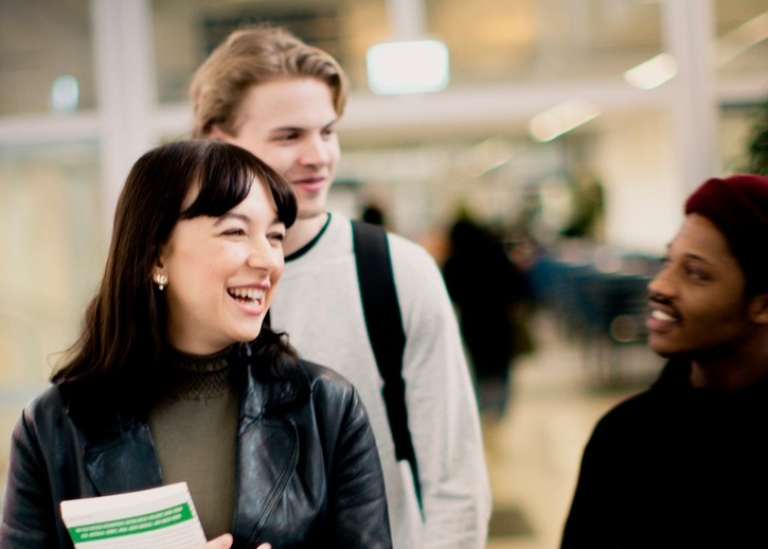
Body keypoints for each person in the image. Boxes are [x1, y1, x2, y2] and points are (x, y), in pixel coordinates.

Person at [0, 140, 391, 549]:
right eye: (235, 231)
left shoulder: (327, 407)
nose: (267, 260)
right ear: (156, 257)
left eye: (275, 236)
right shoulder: (53, 427)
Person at [189, 26, 491, 549]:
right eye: (290, 136)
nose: (319, 156)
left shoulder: (396, 273)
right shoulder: (179, 281)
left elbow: (456, 485)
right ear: (219, 140)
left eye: (327, 132)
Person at [560, 173, 768, 548]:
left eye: (695, 273)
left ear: (763, 303)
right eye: (666, 261)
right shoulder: (625, 437)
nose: (659, 285)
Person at [442, 211, 530, 423]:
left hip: (472, 325)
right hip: (500, 322)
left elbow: (449, 294)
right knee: (501, 367)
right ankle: (499, 412)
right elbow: (518, 287)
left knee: (477, 369)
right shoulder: (497, 254)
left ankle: (480, 411)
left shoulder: (454, 261)